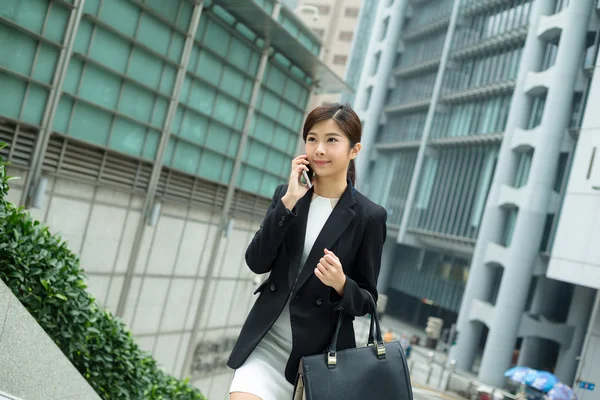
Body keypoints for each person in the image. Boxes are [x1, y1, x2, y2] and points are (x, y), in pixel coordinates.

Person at [227, 103, 388, 400]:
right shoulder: (288, 196)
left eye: (332, 140)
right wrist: (289, 201)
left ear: (354, 150)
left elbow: (366, 300)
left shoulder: (368, 216)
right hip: (267, 343)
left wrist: (341, 284)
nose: (319, 149)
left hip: (318, 360)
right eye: (312, 139)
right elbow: (256, 261)